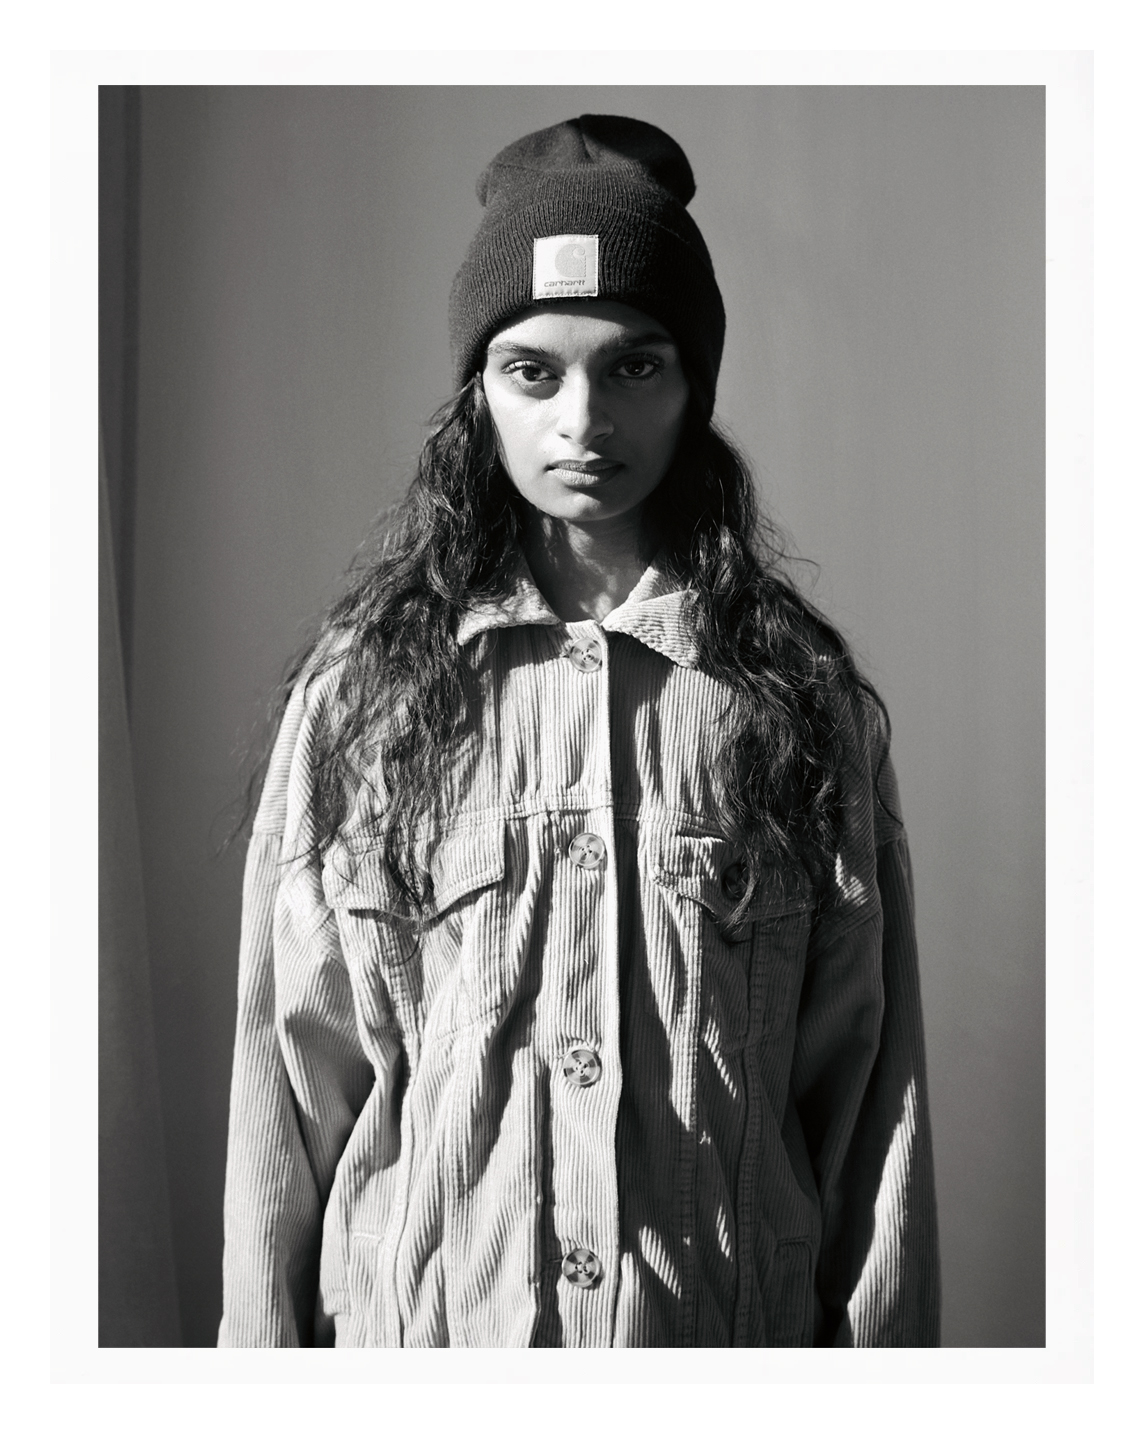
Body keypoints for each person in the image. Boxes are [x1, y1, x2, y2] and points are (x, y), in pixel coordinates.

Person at [218, 114, 940, 1348]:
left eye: (635, 365)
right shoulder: (364, 697)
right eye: (533, 370)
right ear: (478, 392)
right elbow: (285, 1096)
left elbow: (872, 1108)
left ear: (695, 383)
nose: (582, 421)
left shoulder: (793, 699)